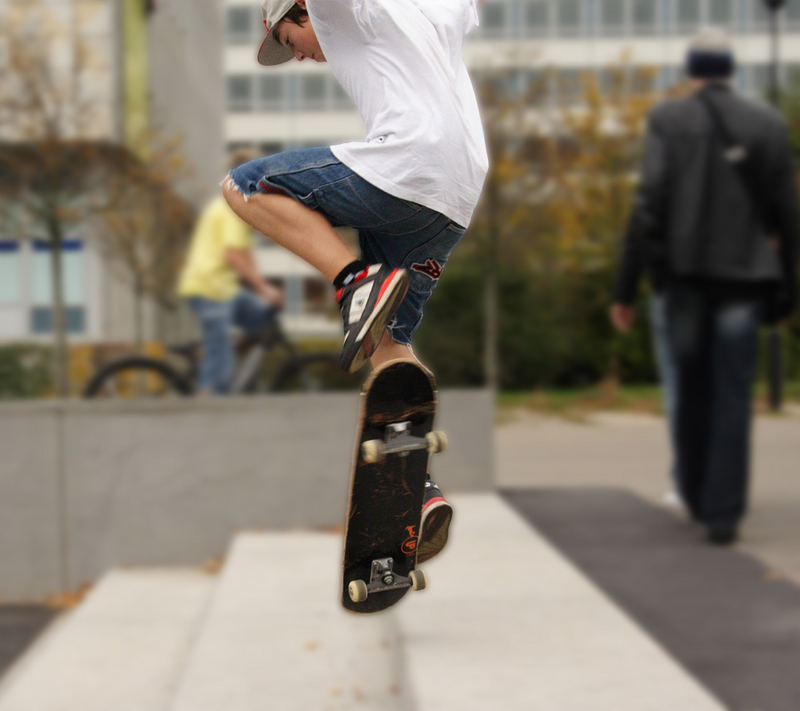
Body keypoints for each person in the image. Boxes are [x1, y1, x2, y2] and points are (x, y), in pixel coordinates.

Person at [221, 0, 489, 562]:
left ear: (300, 10)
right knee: (389, 342)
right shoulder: (433, 10)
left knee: (245, 186)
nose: (306, 59)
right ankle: (418, 488)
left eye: (294, 44)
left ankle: (351, 279)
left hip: (409, 167)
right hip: (455, 195)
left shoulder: (344, 10)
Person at [610, 27, 799, 546]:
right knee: (732, 398)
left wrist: (626, 287)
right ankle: (724, 516)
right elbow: (786, 212)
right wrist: (787, 293)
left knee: (690, 390)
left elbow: (650, 204)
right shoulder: (767, 124)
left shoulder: (670, 119)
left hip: (685, 280)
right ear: (729, 70)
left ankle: (692, 490)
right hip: (746, 281)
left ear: (692, 70)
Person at [178, 161, 285, 395]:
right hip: (209, 288)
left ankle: (222, 347)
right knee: (221, 373)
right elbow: (233, 255)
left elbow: (245, 255)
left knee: (261, 316)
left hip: (225, 289)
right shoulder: (232, 208)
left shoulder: (233, 207)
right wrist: (264, 289)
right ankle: (209, 392)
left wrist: (261, 288)